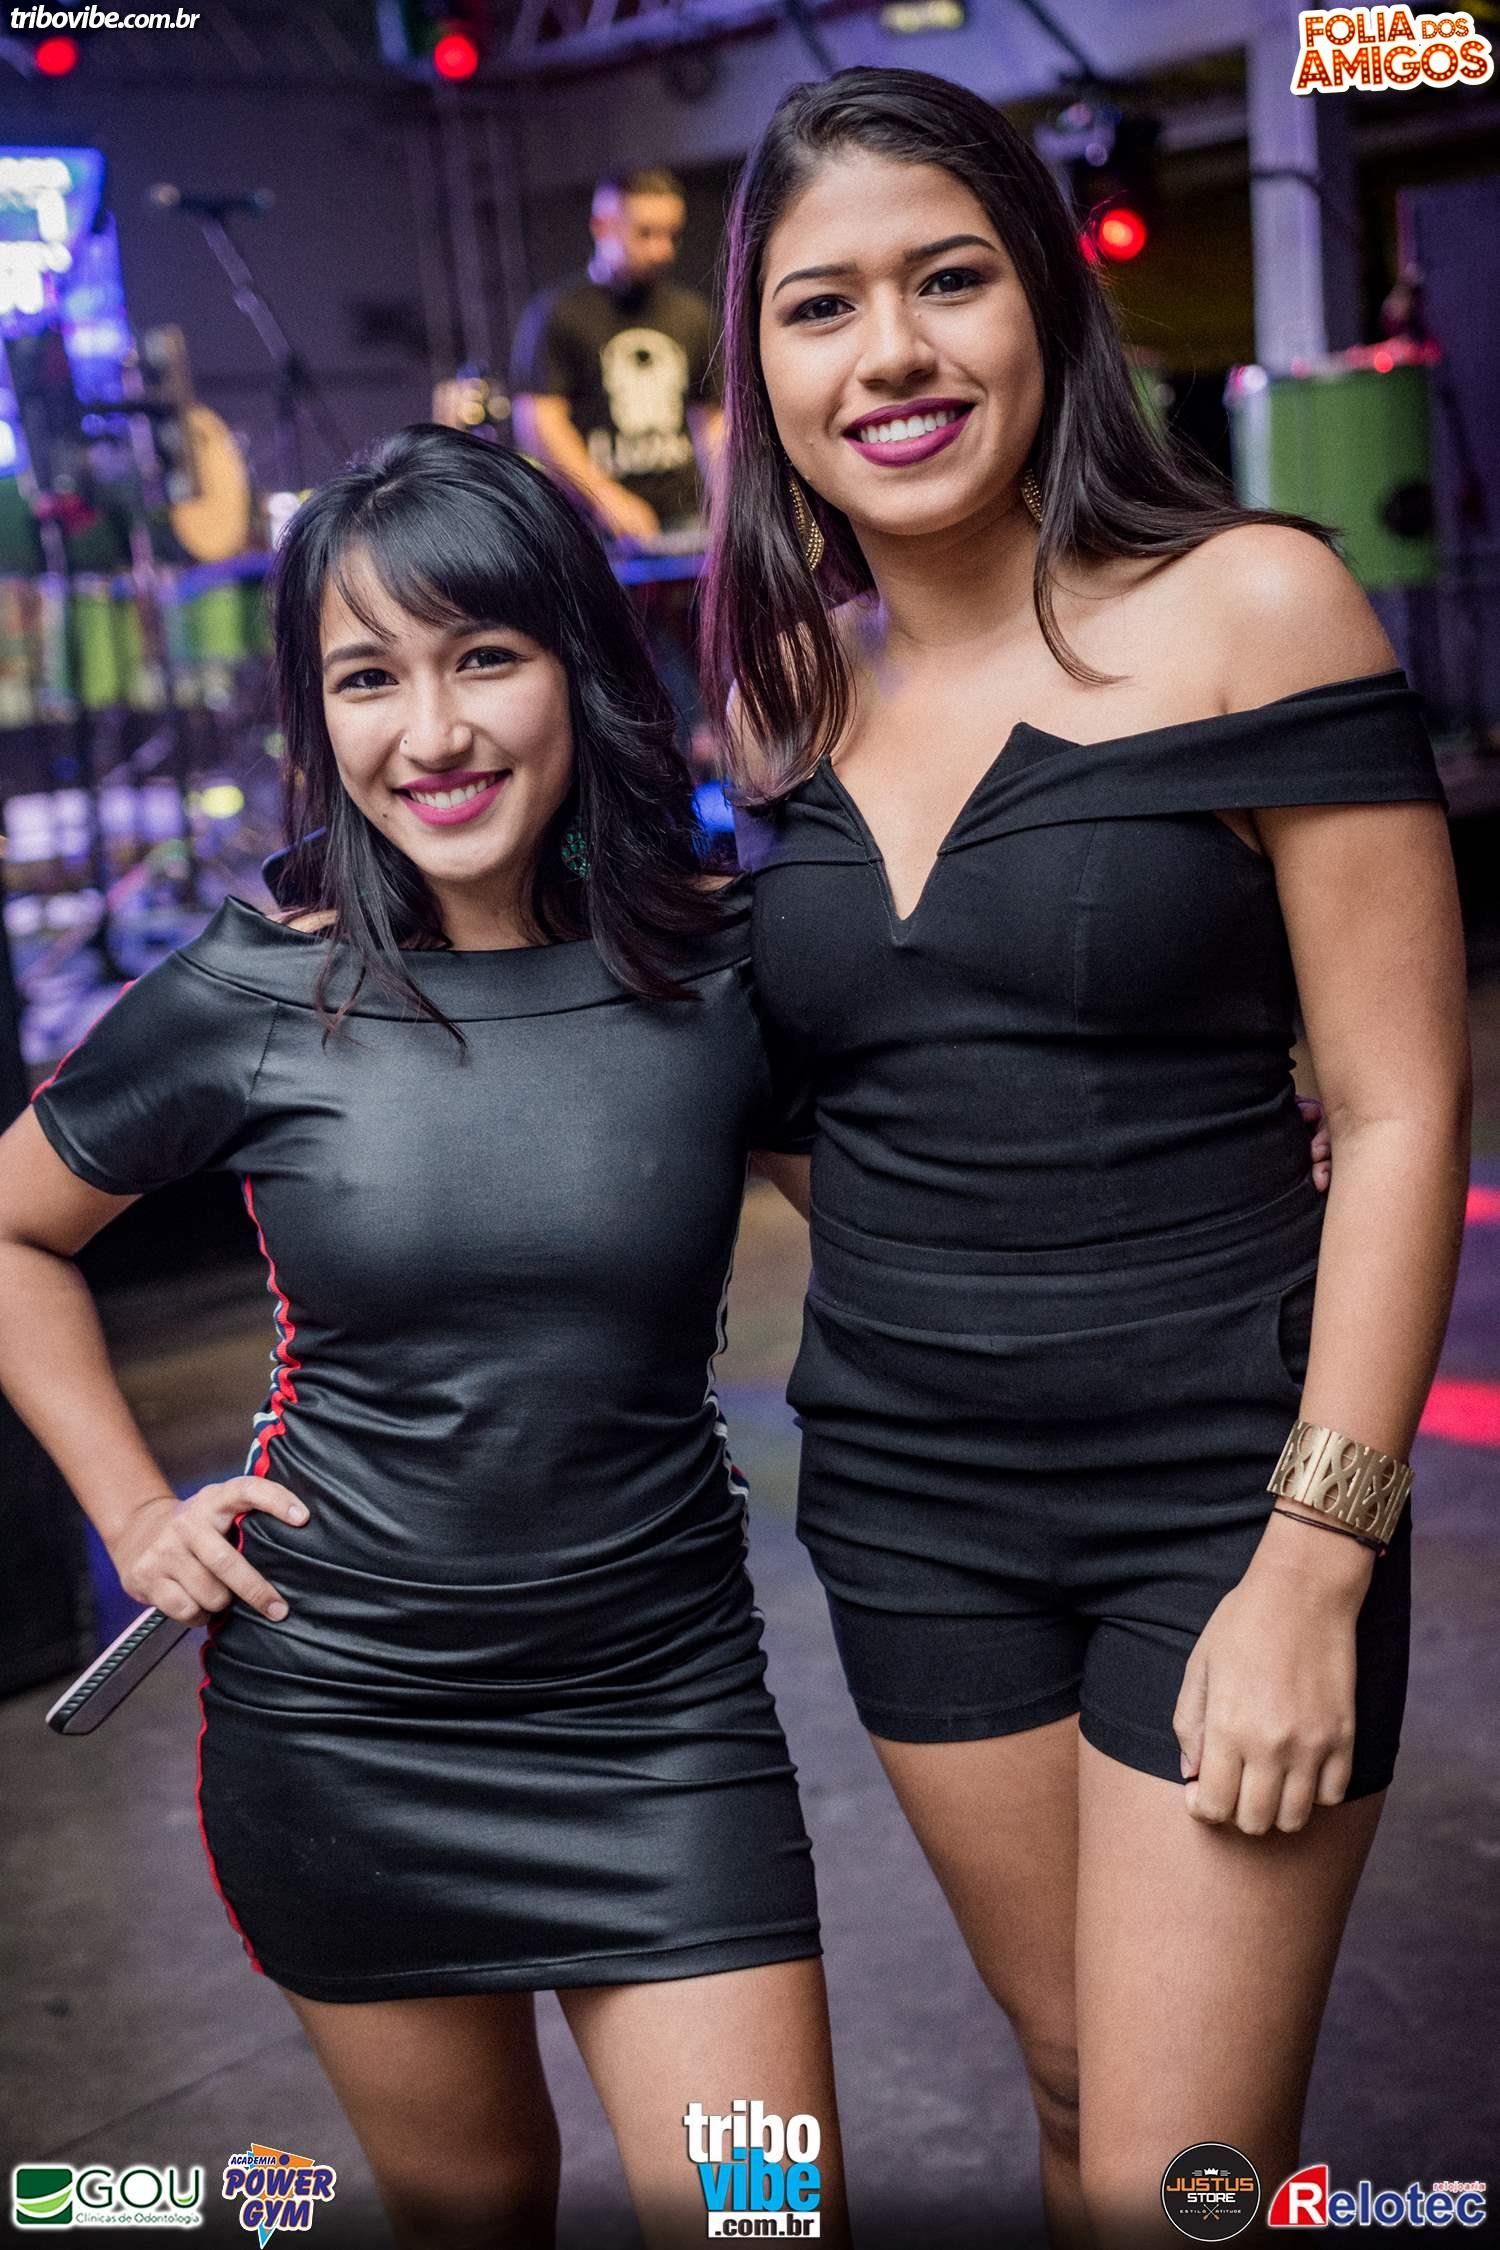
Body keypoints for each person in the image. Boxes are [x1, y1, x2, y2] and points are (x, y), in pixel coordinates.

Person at [702, 67, 1470, 2246]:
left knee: (1174, 2174)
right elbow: (826, 1097)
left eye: (947, 280)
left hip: (1223, 1497)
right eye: (822, 306)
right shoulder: (783, 693)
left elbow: (1403, 1104)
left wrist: (1316, 1560)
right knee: (1064, 2081)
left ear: (1045, 299)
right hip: (910, 1506)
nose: (892, 354)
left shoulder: (1255, 605)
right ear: (763, 368)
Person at [0, 427, 846, 2250]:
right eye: (368, 678)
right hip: (351, 1731)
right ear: (318, 717)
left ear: (576, 666)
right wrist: (135, 1513)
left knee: (768, 2215)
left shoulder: (712, 968)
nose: (433, 732)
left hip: (663, 1721)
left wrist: (1246, 1131)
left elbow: (910, 1212)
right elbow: (12, 1229)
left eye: (484, 657)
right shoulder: (255, 987)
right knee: (478, 2215)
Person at [511, 168, 723, 547]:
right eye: (645, 233)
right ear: (602, 227)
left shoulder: (692, 315)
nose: (662, 250)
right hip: (593, 530)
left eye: (671, 234)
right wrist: (605, 497)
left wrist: (728, 502)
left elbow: (713, 421)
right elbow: (539, 422)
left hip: (685, 520)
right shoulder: (558, 314)